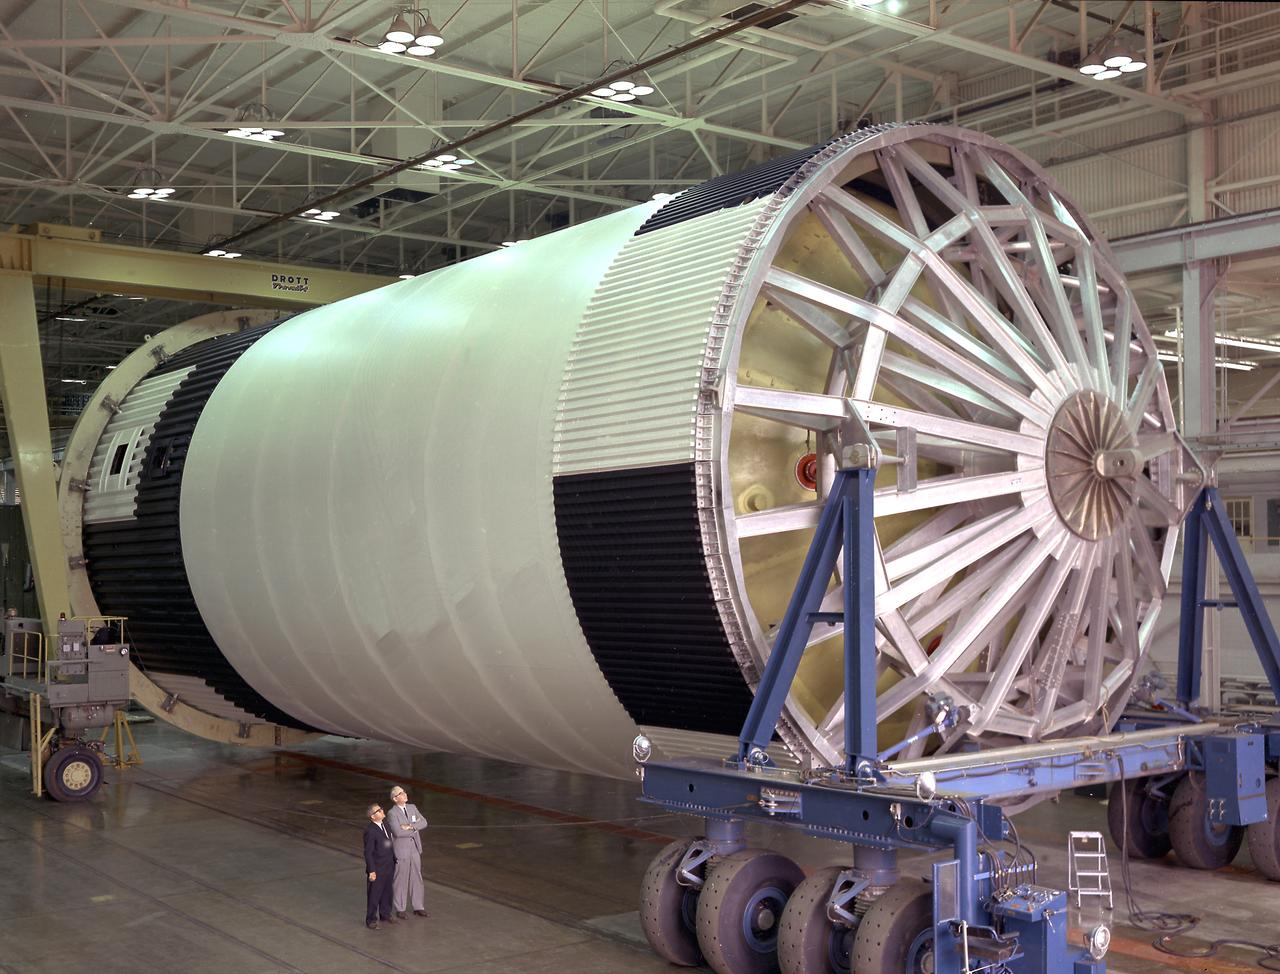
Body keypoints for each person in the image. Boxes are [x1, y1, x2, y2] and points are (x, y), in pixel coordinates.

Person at [387, 784, 429, 918]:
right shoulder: (392, 813)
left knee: (417, 877)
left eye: (404, 792)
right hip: (402, 850)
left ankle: (418, 906)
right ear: (395, 798)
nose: (404, 794)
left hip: (415, 849)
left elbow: (424, 822)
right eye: (400, 793)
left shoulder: (412, 808)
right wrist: (414, 829)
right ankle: (400, 908)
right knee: (401, 878)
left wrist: (410, 826)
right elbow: (398, 832)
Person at [362, 803, 397, 929]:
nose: (382, 811)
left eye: (381, 808)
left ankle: (385, 914)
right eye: (379, 810)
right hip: (377, 867)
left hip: (388, 864)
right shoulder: (370, 831)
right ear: (372, 816)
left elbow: (389, 843)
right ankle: (371, 919)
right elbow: (368, 852)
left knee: (387, 891)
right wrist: (371, 870)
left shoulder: (385, 825)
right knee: (374, 894)